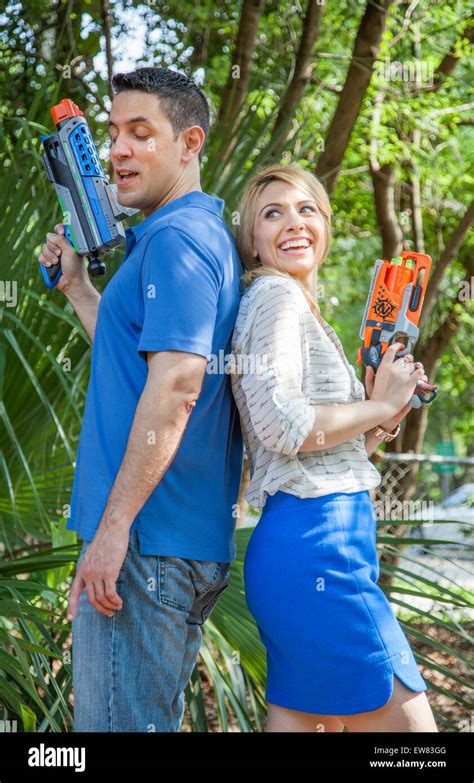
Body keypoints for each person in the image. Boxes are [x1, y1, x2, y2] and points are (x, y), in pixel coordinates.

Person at [38, 67, 244, 732]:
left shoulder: (179, 241)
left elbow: (178, 387)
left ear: (189, 144)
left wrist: (114, 530)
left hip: (147, 545)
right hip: (157, 543)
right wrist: (77, 288)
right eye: (113, 133)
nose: (119, 149)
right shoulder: (173, 236)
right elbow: (142, 364)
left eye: (140, 133)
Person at [230, 163, 438, 733]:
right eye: (272, 213)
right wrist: (375, 406)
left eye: (306, 209)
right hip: (320, 547)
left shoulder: (292, 304)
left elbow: (317, 455)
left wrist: (384, 415)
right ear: (252, 240)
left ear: (324, 223)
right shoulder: (277, 297)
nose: (294, 222)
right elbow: (283, 426)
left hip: (306, 543)